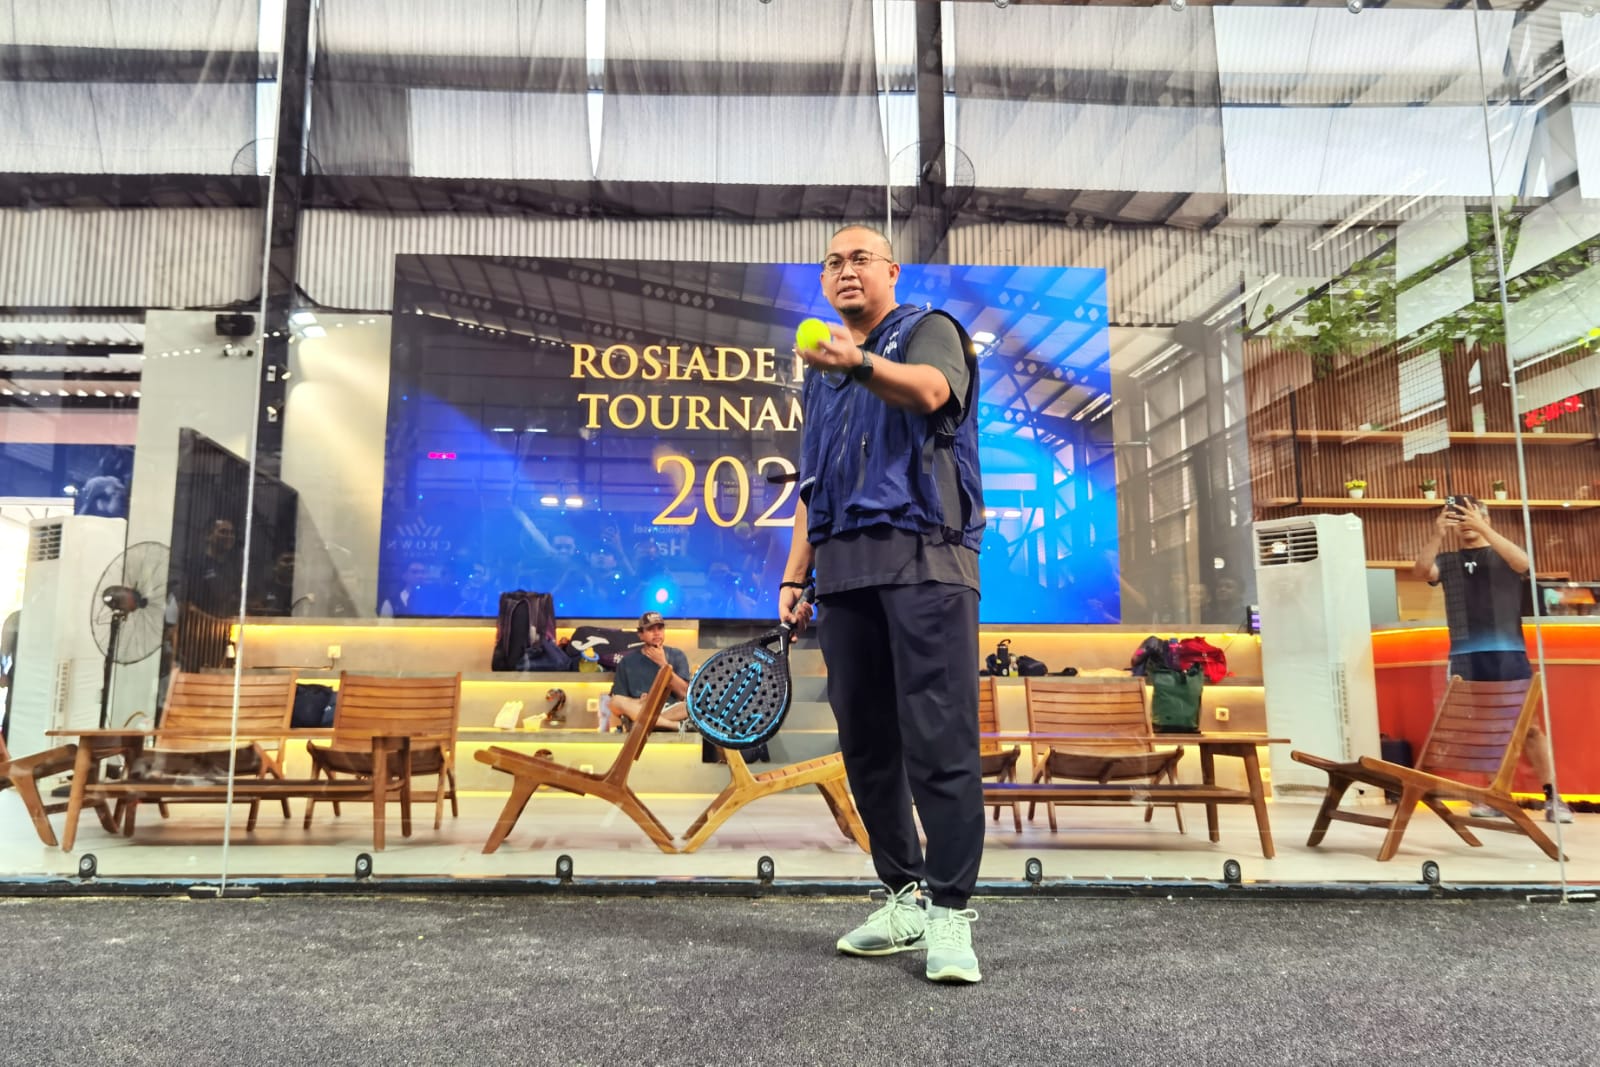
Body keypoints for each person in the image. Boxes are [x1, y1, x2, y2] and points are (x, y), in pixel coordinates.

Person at [779, 223, 987, 984]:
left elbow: (931, 391)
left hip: (926, 557)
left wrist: (859, 360)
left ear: (891, 270)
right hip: (842, 573)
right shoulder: (821, 377)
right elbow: (812, 487)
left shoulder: (929, 330)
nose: (846, 270)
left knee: (939, 739)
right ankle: (902, 896)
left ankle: (951, 910)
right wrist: (793, 580)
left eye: (860, 258)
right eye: (833, 262)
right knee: (866, 746)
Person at [1412, 495, 1572, 823]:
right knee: (1486, 730)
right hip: (1466, 656)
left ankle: (1553, 797)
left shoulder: (1503, 553)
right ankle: (1495, 796)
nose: (1465, 523)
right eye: (1458, 518)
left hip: (1508, 653)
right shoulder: (1449, 560)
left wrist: (1483, 528)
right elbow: (1421, 571)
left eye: (1471, 515)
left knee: (1530, 728)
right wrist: (1437, 533)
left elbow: (1524, 563)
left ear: (1485, 517)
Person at [606, 611, 693, 732]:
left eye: (660, 628)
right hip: (639, 709)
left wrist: (664, 665)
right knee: (614, 701)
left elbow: (684, 694)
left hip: (669, 710)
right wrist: (640, 701)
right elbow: (618, 702)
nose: (656, 633)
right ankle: (672, 725)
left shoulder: (677, 655)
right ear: (640, 635)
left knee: (695, 704)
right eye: (651, 629)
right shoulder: (627, 661)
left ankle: (642, 724)